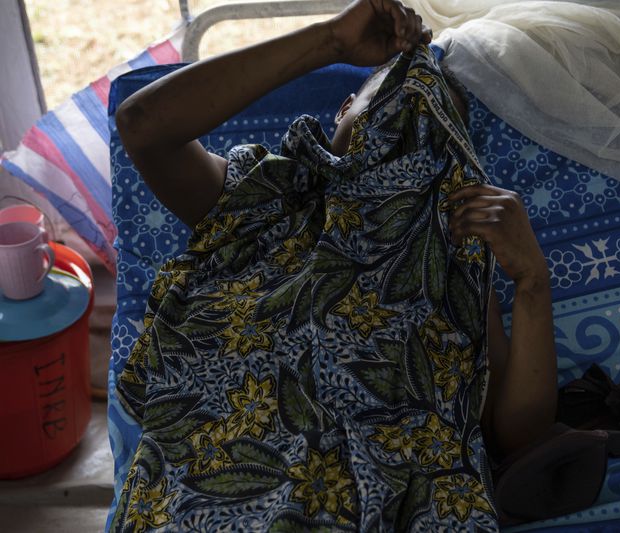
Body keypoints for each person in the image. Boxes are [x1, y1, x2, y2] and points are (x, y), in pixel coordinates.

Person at [112, 0, 556, 530]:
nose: (408, 125)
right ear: (343, 110)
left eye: (435, 129)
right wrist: (331, 42)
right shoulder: (266, 201)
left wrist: (532, 283)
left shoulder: (451, 262)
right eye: (390, 101)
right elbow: (142, 125)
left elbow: (515, 434)